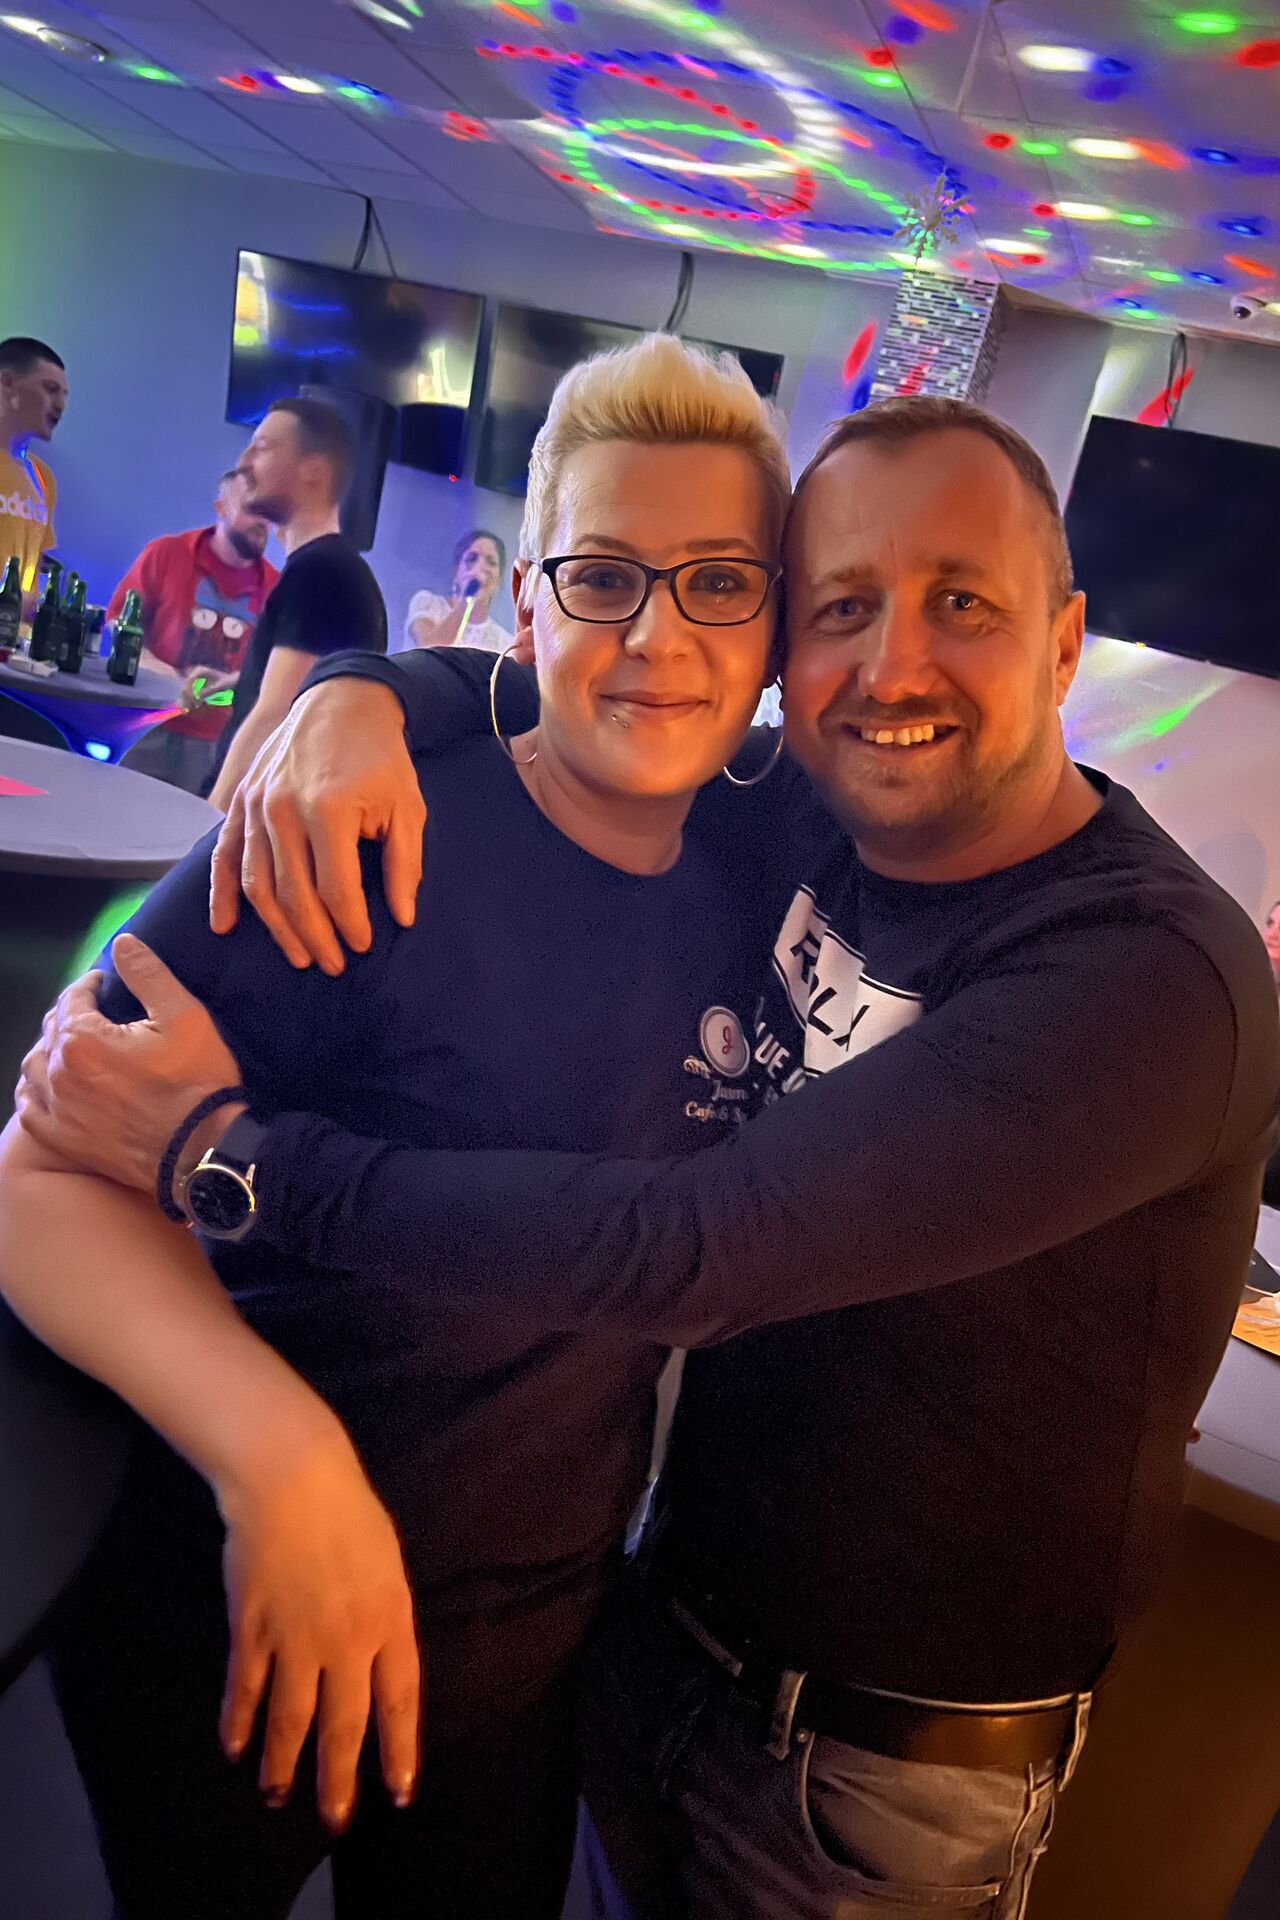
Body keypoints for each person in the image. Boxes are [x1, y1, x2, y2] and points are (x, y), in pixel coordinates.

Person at [32, 394, 1278, 1919]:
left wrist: (229, 1155)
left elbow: (694, 1253)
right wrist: (362, 684)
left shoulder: (1131, 967)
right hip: (533, 1632)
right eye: (843, 606)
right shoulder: (747, 818)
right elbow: (45, 1159)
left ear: (1067, 642)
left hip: (846, 1759)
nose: (893, 665)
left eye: (964, 603)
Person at [0, 335, 789, 1920]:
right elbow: (38, 1176)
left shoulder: (771, 863)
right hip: (238, 1605)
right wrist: (280, 1460)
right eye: (603, 578)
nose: (657, 636)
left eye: (719, 583)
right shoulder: (352, 833)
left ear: (772, 628)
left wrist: (366, 679)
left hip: (531, 1649)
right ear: (527, 606)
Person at [207, 397, 387, 811]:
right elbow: (314, 687)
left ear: (315, 471)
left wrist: (207, 822)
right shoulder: (332, 569)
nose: (243, 461)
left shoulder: (319, 573)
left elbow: (276, 716)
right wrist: (239, 681)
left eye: (262, 448)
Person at [112, 469, 278, 795]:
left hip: (219, 744)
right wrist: (162, 673)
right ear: (221, 508)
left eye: (268, 512)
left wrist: (234, 683)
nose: (262, 522)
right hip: (148, 725)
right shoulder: (166, 553)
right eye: (251, 508)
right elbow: (118, 623)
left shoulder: (277, 587)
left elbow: (274, 671)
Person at [0, 336, 67, 609]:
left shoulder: (42, 478)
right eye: (50, 389)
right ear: (7, 383)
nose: (60, 405)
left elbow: (33, 574)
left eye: (64, 395)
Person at [402, 528, 513, 654]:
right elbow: (430, 651)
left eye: (491, 562)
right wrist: (469, 596)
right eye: (472, 559)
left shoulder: (505, 644)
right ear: (455, 572)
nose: (480, 567)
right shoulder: (427, 604)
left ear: (499, 580)